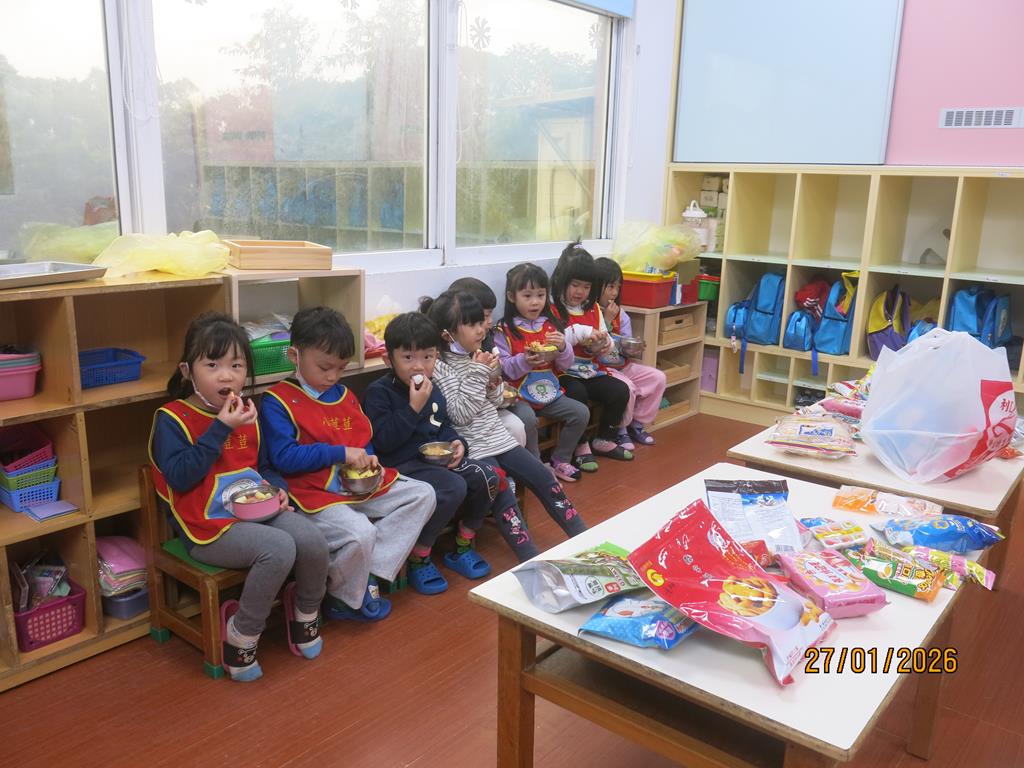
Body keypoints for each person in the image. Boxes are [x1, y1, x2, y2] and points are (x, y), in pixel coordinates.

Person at [149, 312, 328, 682]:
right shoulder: (171, 419)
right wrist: (220, 428)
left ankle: (305, 611)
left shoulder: (248, 411)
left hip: (255, 509)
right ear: (187, 371)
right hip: (205, 527)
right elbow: (180, 478)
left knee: (312, 539)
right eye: (212, 365)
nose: (226, 376)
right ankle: (241, 633)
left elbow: (263, 467)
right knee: (278, 548)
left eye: (236, 365)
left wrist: (279, 489)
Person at [259, 307, 439, 607]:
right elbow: (283, 458)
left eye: (340, 369)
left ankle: (365, 572)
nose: (332, 377)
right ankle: (343, 598)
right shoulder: (277, 400)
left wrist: (369, 459)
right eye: (324, 367)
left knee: (423, 494)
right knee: (360, 533)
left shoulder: (344, 395)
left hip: (356, 486)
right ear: (294, 356)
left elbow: (363, 441)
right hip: (312, 493)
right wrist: (341, 453)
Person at [423, 289, 586, 552]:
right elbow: (460, 414)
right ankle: (529, 557)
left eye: (481, 322)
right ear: (447, 334)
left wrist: (493, 383)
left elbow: (498, 401)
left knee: (544, 478)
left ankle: (585, 539)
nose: (481, 330)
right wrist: (480, 373)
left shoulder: (475, 355)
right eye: (472, 324)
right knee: (504, 497)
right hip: (473, 447)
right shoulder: (440, 367)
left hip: (499, 437)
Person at [363, 311, 499, 576]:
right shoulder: (379, 392)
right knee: (453, 486)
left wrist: (456, 442)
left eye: (427, 357)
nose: (418, 366)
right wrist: (413, 408)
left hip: (432, 460)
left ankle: (463, 543)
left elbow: (442, 424)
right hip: (399, 464)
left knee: (488, 476)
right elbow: (383, 442)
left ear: (437, 356)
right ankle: (420, 554)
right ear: (388, 360)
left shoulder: (432, 387)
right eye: (408, 357)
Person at [493, 263, 591, 482]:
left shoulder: (551, 325)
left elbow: (565, 365)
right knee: (527, 420)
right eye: (527, 295)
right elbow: (504, 368)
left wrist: (563, 347)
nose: (535, 302)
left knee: (581, 412)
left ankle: (561, 459)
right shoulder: (504, 330)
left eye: (540, 295)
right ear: (512, 296)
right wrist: (525, 361)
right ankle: (537, 466)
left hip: (549, 391)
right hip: (519, 395)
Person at [550, 242, 634, 465]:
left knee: (620, 390)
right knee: (577, 393)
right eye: (575, 285)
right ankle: (580, 444)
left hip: (590, 370)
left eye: (586, 287)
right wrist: (581, 333)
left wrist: (602, 345)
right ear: (561, 281)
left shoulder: (593, 308)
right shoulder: (553, 309)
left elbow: (605, 338)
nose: (580, 292)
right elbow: (555, 340)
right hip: (563, 372)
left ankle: (604, 438)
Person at [593, 256, 669, 447]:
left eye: (618, 287)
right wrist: (607, 321)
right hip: (601, 369)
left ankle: (636, 424)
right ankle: (620, 430)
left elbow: (626, 344)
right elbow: (592, 346)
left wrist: (633, 348)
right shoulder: (590, 313)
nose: (614, 292)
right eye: (610, 287)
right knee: (627, 387)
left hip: (622, 364)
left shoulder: (622, 315)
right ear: (596, 286)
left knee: (658, 378)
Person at [448, 276, 530, 450]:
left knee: (519, 425)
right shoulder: (450, 354)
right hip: (468, 416)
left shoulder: (486, 340)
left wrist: (495, 383)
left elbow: (496, 379)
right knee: (515, 425)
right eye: (484, 317)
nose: (490, 321)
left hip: (489, 406)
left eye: (490, 314)